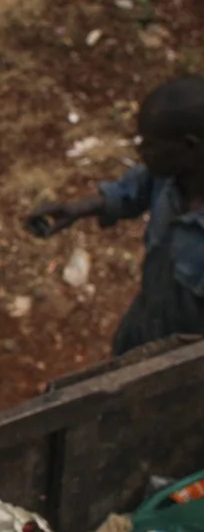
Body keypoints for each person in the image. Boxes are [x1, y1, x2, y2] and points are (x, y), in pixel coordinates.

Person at [27, 76, 204, 355]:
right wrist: (81, 208)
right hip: (149, 316)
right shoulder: (173, 176)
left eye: (149, 145)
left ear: (190, 146)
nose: (141, 153)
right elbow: (140, 187)